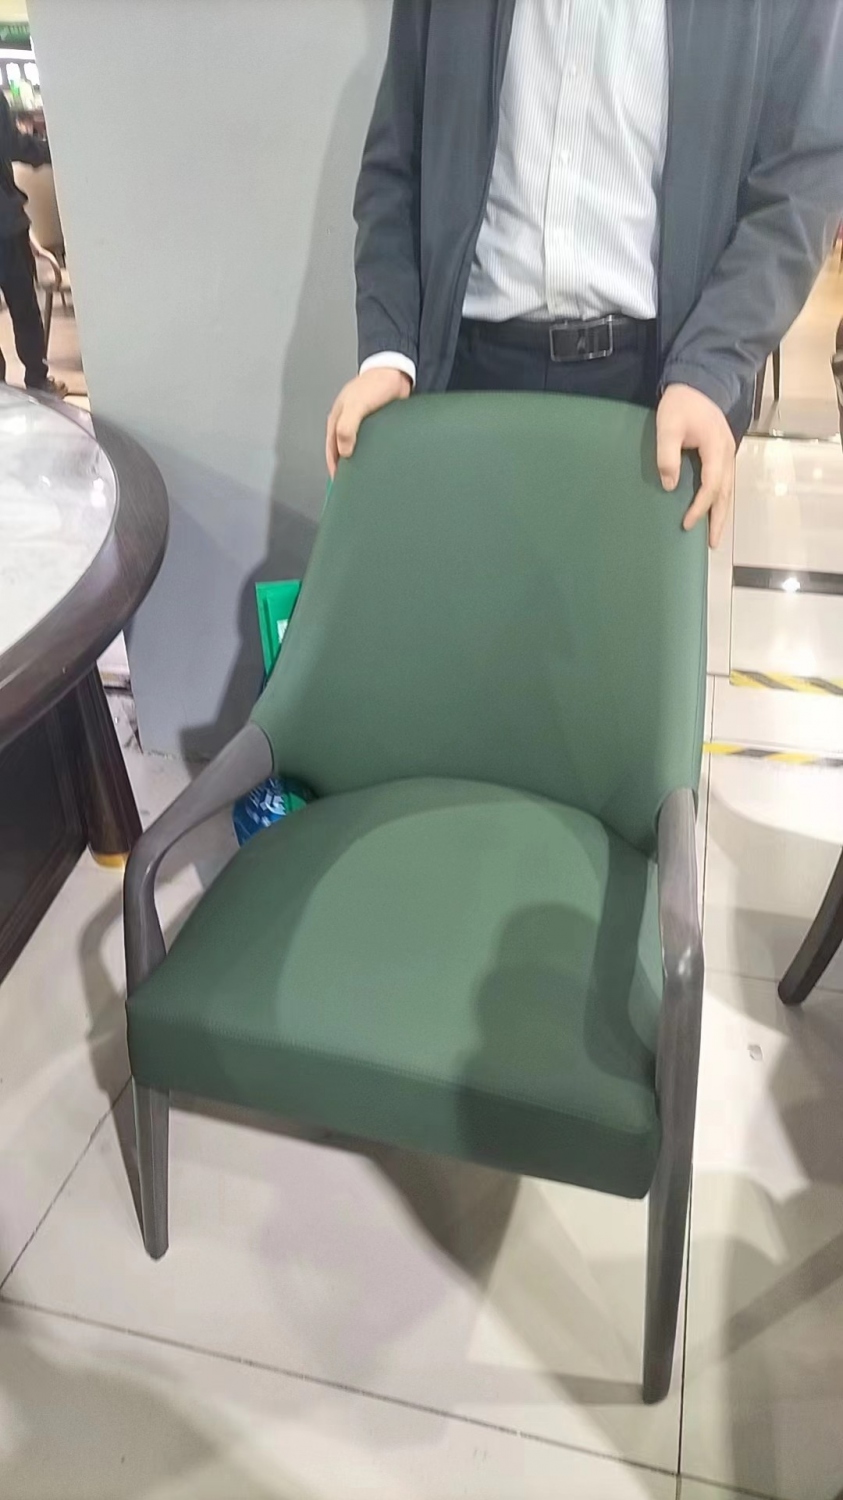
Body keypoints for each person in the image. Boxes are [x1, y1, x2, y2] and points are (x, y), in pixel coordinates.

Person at [327, 0, 843, 548]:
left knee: (621, 603)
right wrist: (391, 349)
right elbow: (397, 160)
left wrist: (710, 365)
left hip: (656, 394)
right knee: (450, 595)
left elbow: (803, 180)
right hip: (460, 372)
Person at [0, 89, 66, 396]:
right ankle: (38, 382)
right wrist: (55, 149)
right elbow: (9, 143)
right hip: (5, 226)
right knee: (23, 306)